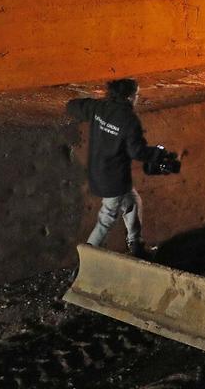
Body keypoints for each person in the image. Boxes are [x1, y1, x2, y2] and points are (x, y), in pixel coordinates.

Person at [66, 78, 168, 257]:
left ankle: (136, 245)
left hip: (97, 172)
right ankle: (88, 259)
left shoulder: (100, 107)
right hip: (114, 179)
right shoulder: (129, 121)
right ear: (130, 97)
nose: (137, 98)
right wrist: (157, 153)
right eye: (137, 95)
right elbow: (137, 152)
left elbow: (72, 107)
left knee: (133, 203)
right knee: (106, 219)